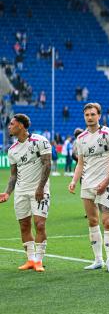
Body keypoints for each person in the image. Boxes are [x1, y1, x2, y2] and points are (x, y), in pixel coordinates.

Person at [68, 103, 109, 273]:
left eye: (93, 114)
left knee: (107, 222)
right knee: (92, 221)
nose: (90, 117)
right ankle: (98, 260)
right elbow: (81, 164)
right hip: (88, 184)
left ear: (99, 115)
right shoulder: (81, 138)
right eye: (87, 115)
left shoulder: (108, 133)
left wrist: (106, 181)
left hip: (106, 184)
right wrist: (74, 180)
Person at [0, 114, 52, 272]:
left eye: (12, 123)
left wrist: (40, 187)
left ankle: (39, 261)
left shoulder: (40, 141)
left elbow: (47, 164)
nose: (9, 126)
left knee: (40, 224)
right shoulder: (12, 150)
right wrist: (7, 192)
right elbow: (13, 175)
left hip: (39, 190)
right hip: (21, 192)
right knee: (24, 225)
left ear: (21, 126)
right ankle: (30, 260)